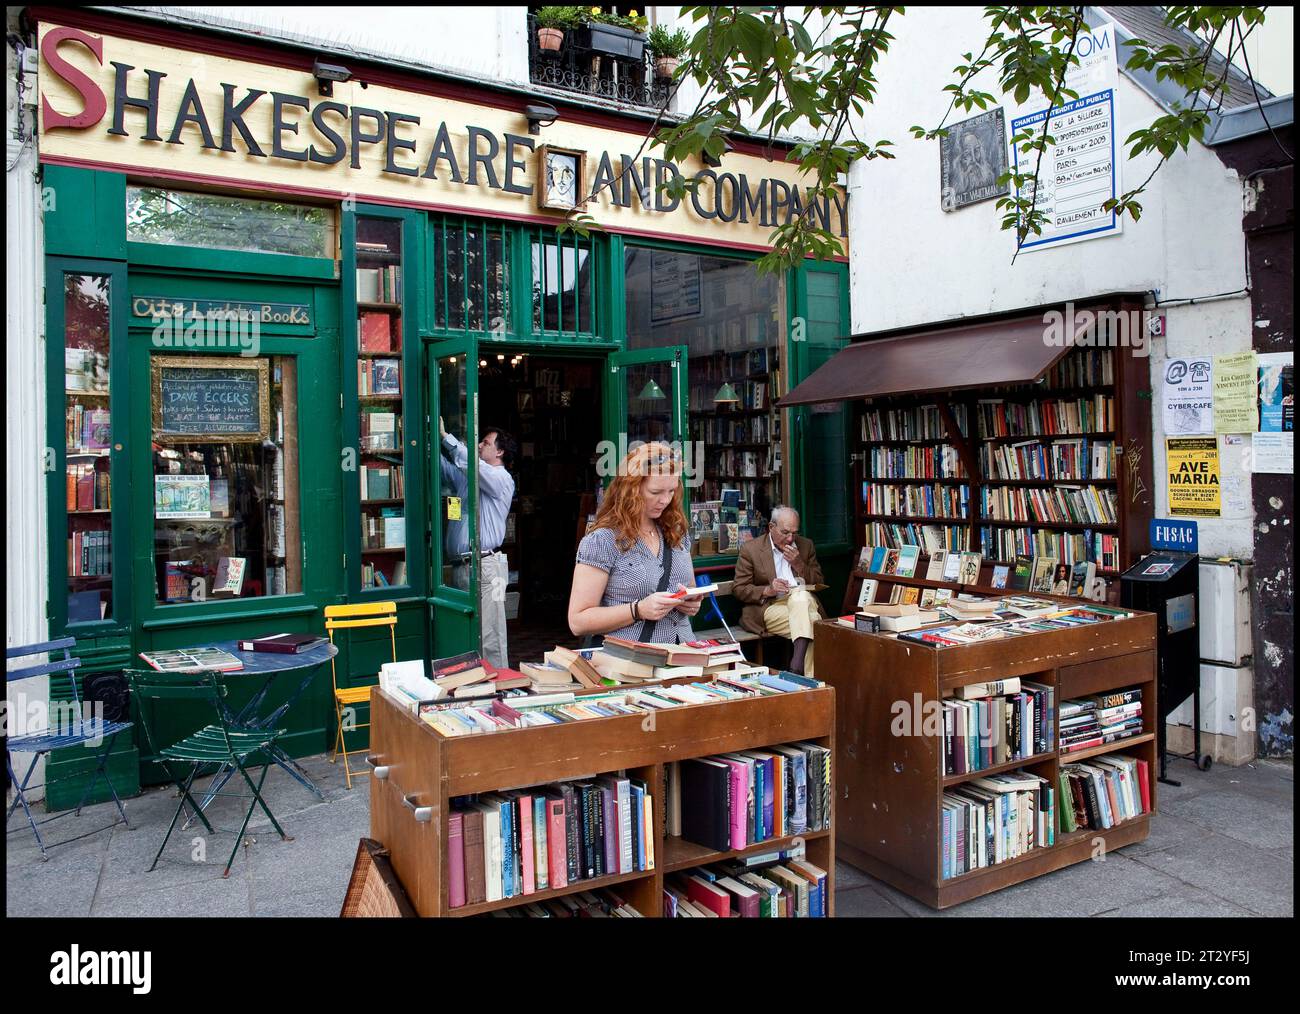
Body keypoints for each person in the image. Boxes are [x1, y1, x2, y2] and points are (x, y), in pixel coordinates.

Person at [568, 442, 701, 643]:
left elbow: (688, 588)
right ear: (631, 490)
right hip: (631, 661)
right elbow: (578, 621)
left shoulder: (676, 532)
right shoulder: (603, 540)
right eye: (656, 492)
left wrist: (690, 603)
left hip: (684, 654)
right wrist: (637, 610)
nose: (665, 500)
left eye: (671, 491)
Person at [439, 418, 516, 669]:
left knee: (491, 632)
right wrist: (427, 443)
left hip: (488, 566)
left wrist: (446, 438)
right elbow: (446, 469)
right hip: (462, 566)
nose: (480, 446)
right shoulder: (470, 476)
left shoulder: (501, 478)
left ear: (500, 451)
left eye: (485, 443)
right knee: (465, 631)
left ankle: (498, 687)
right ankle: (472, 682)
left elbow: (474, 467)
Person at [732, 506, 825, 676]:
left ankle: (797, 672)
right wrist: (768, 590)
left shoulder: (805, 546)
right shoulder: (751, 549)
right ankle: (805, 677)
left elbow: (819, 582)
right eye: (785, 532)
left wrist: (798, 564)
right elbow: (739, 589)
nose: (790, 538)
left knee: (801, 596)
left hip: (801, 605)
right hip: (769, 607)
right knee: (814, 621)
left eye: (794, 533)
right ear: (771, 527)